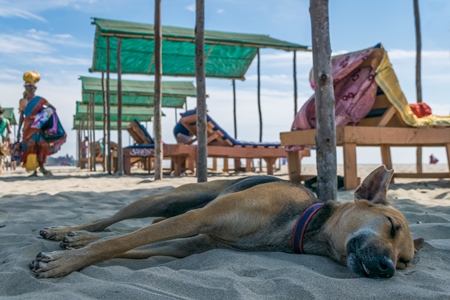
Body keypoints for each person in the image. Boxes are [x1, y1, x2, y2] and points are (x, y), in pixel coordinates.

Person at [17, 72, 67, 177]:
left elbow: (52, 108)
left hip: (37, 127)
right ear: (25, 88)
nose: (29, 89)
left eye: (31, 87)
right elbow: (22, 115)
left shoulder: (40, 100)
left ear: (35, 89)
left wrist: (42, 115)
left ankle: (42, 168)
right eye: (27, 87)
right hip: (27, 127)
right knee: (30, 147)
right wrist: (18, 130)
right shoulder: (22, 101)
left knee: (39, 146)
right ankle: (34, 170)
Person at [0, 106, 13, 174]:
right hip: (2, 139)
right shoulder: (6, 120)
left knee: (1, 155)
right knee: (1, 155)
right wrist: (9, 139)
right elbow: (9, 132)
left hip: (2, 139)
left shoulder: (5, 121)